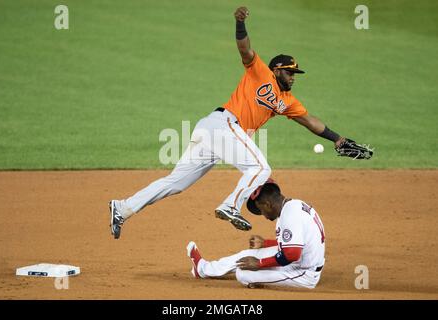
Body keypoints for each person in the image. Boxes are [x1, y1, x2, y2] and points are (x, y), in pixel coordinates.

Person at [108, 6, 371, 239]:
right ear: (277, 69)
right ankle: (231, 205)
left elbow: (310, 121)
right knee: (260, 168)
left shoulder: (287, 101)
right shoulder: (261, 73)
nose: (293, 77)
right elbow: (244, 49)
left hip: (216, 133)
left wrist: (337, 139)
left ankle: (122, 207)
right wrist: (239, 23)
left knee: (175, 183)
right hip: (222, 125)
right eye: (289, 72)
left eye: (295, 74)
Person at [187, 180, 325, 289]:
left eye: (261, 210)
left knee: (243, 275)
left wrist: (260, 263)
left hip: (304, 273)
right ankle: (202, 269)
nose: (263, 215)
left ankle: (262, 279)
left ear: (267, 204)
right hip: (298, 260)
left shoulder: (290, 215)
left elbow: (292, 254)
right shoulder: (293, 205)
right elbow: (296, 243)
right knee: (246, 255)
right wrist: (265, 244)